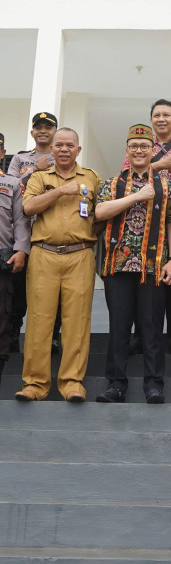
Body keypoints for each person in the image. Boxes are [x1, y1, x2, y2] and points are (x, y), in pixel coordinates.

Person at [15, 127, 101, 403]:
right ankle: (35, 384)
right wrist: (62, 191)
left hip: (80, 254)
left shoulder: (91, 177)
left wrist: (87, 237)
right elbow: (29, 208)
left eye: (69, 145)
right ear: (51, 149)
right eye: (59, 145)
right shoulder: (39, 177)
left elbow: (100, 215)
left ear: (78, 149)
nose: (64, 149)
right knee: (40, 321)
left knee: (76, 321)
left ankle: (72, 383)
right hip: (44, 254)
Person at [95, 124, 171, 404]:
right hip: (118, 266)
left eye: (145, 146)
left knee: (152, 328)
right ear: (127, 151)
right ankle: (116, 384)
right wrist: (136, 196)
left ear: (153, 150)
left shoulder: (168, 185)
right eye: (134, 146)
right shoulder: (112, 183)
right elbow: (100, 211)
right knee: (119, 327)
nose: (139, 150)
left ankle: (154, 385)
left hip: (153, 267)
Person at [122, 98, 171, 356]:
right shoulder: (140, 145)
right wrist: (158, 164)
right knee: (142, 281)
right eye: (157, 115)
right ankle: (140, 335)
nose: (161, 119)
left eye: (167, 114)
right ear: (151, 119)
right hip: (142, 227)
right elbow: (125, 175)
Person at [7, 111, 60, 353]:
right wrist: (32, 171)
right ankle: (11, 334)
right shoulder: (20, 158)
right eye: (38, 127)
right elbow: (8, 187)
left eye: (48, 127)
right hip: (22, 231)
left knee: (52, 289)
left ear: (54, 132)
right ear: (32, 132)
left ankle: (54, 336)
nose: (43, 131)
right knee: (18, 287)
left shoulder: (61, 156)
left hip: (48, 231)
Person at [0, 132, 30, 383]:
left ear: (2, 153)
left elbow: (20, 220)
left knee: (3, 314)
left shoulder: (11, 184)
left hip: (3, 258)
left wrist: (21, 249)